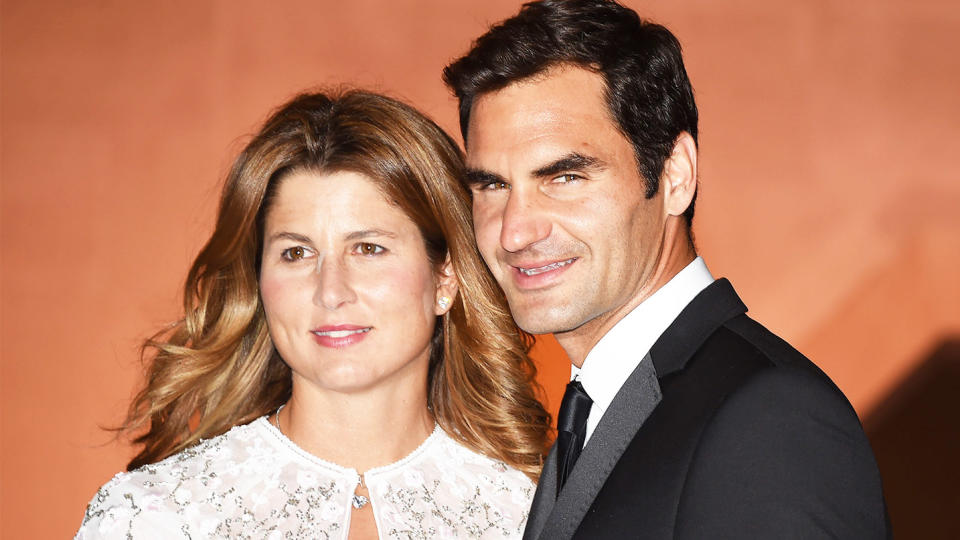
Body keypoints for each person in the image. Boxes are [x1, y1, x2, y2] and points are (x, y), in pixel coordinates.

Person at [443, 1, 891, 538]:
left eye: (564, 178)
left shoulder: (769, 421)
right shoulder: (594, 412)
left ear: (676, 176)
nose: (514, 231)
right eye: (492, 186)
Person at [75, 90, 550, 539]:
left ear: (445, 278)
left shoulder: (535, 515)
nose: (330, 291)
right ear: (259, 282)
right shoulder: (155, 516)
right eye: (296, 254)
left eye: (368, 248)